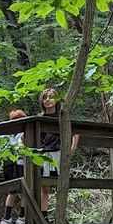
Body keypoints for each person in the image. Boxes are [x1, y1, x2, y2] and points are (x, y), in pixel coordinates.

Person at [38, 87, 79, 215]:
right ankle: (44, 216)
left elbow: (75, 133)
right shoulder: (40, 118)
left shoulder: (62, 116)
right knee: (44, 187)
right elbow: (27, 136)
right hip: (44, 155)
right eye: (45, 97)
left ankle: (61, 216)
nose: (47, 100)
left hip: (59, 154)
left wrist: (71, 150)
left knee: (60, 186)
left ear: (56, 100)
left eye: (51, 97)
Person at [0, 108, 27, 224]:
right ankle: (8, 217)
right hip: (11, 164)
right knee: (13, 191)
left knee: (22, 191)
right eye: (14, 120)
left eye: (18, 119)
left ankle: (21, 217)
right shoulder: (8, 134)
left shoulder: (25, 132)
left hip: (20, 163)